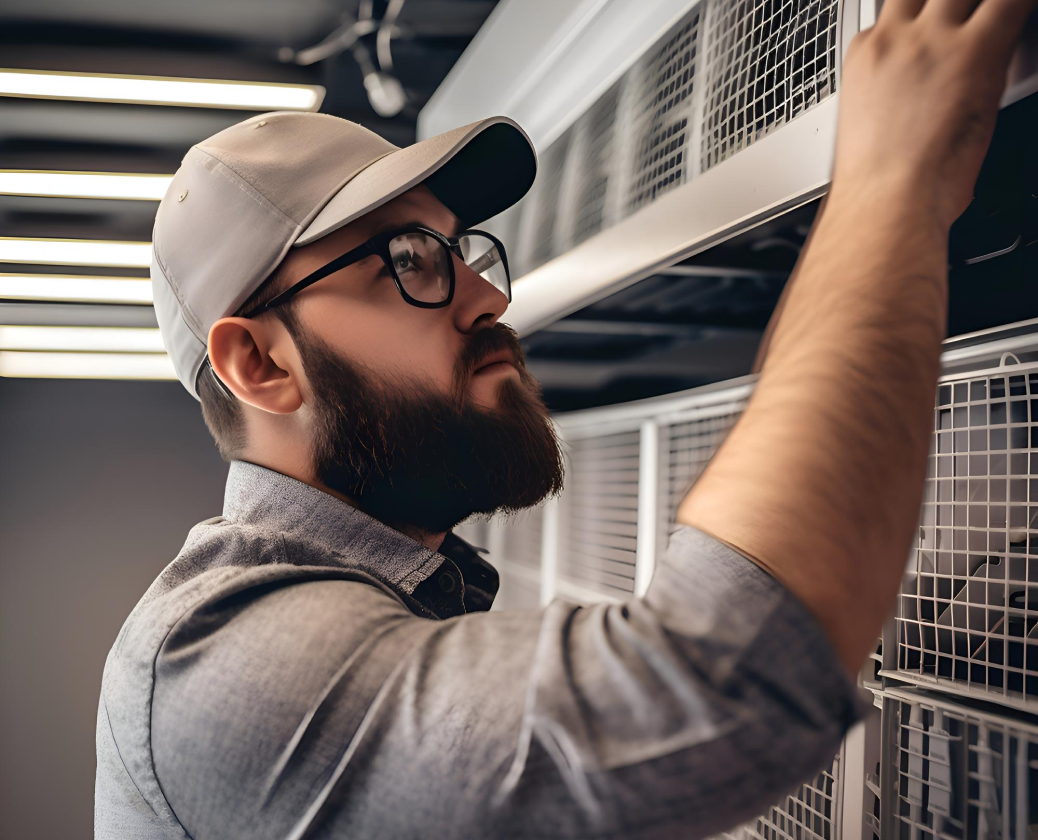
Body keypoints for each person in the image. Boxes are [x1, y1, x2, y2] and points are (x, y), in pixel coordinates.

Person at [94, 0, 1036, 834]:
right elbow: (715, 683)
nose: (487, 298)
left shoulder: (391, 598)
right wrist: (890, 176)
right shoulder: (213, 663)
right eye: (411, 261)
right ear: (260, 364)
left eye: (461, 252)